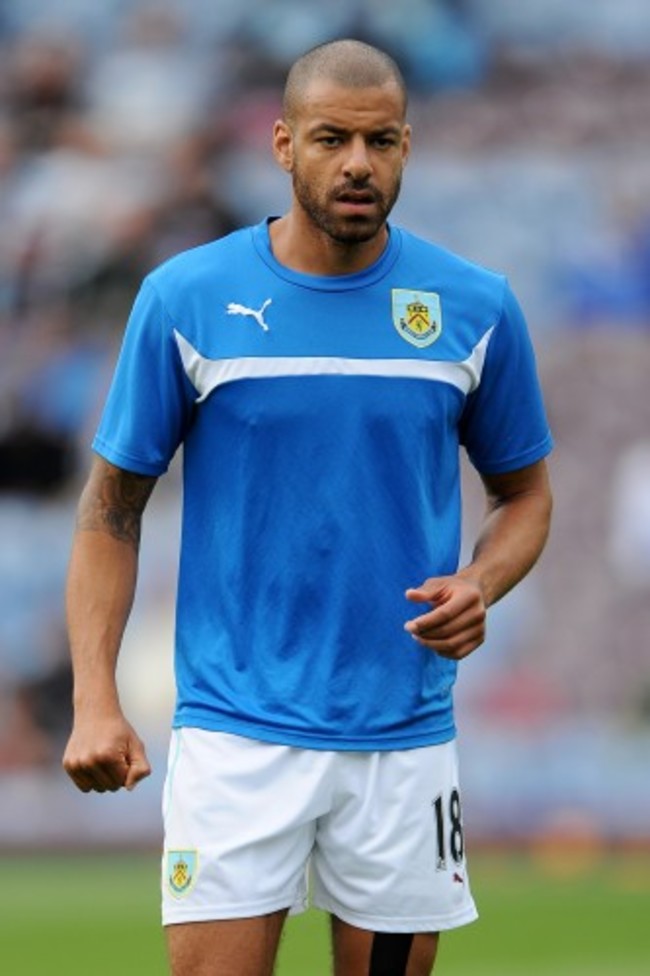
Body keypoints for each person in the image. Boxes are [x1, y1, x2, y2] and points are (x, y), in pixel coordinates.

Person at [62, 38, 553, 976]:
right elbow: (109, 510)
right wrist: (96, 701)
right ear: (284, 145)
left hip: (404, 741)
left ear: (408, 145)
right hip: (235, 736)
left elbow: (525, 496)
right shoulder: (188, 299)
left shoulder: (473, 306)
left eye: (380, 141)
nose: (358, 163)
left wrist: (482, 580)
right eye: (332, 139)